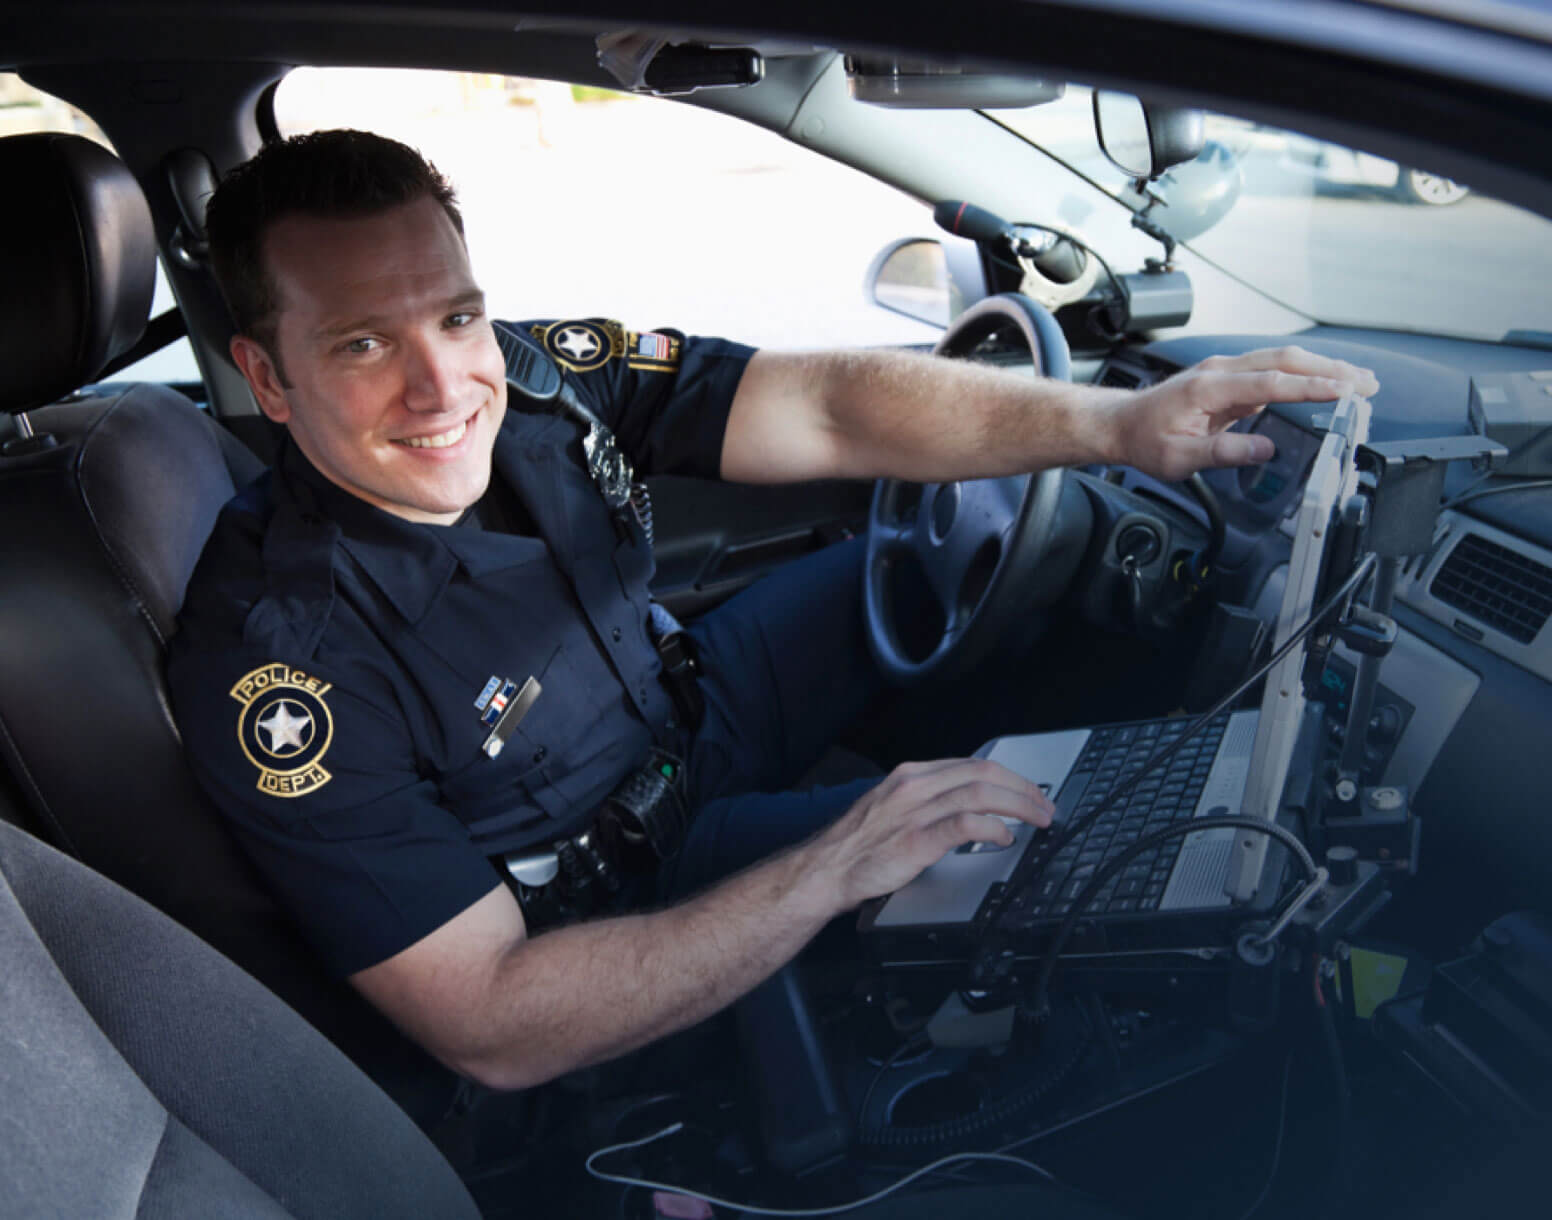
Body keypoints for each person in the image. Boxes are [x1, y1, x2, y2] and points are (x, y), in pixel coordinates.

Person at [169, 130, 1378, 1094]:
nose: (443, 386)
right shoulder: (281, 668)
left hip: (694, 707)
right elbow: (490, 1016)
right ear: (267, 375)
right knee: (1039, 845)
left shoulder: (537, 376)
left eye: (455, 315)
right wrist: (834, 863)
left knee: (932, 565)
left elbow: (827, 407)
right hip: (622, 891)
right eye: (363, 344)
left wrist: (1116, 424)